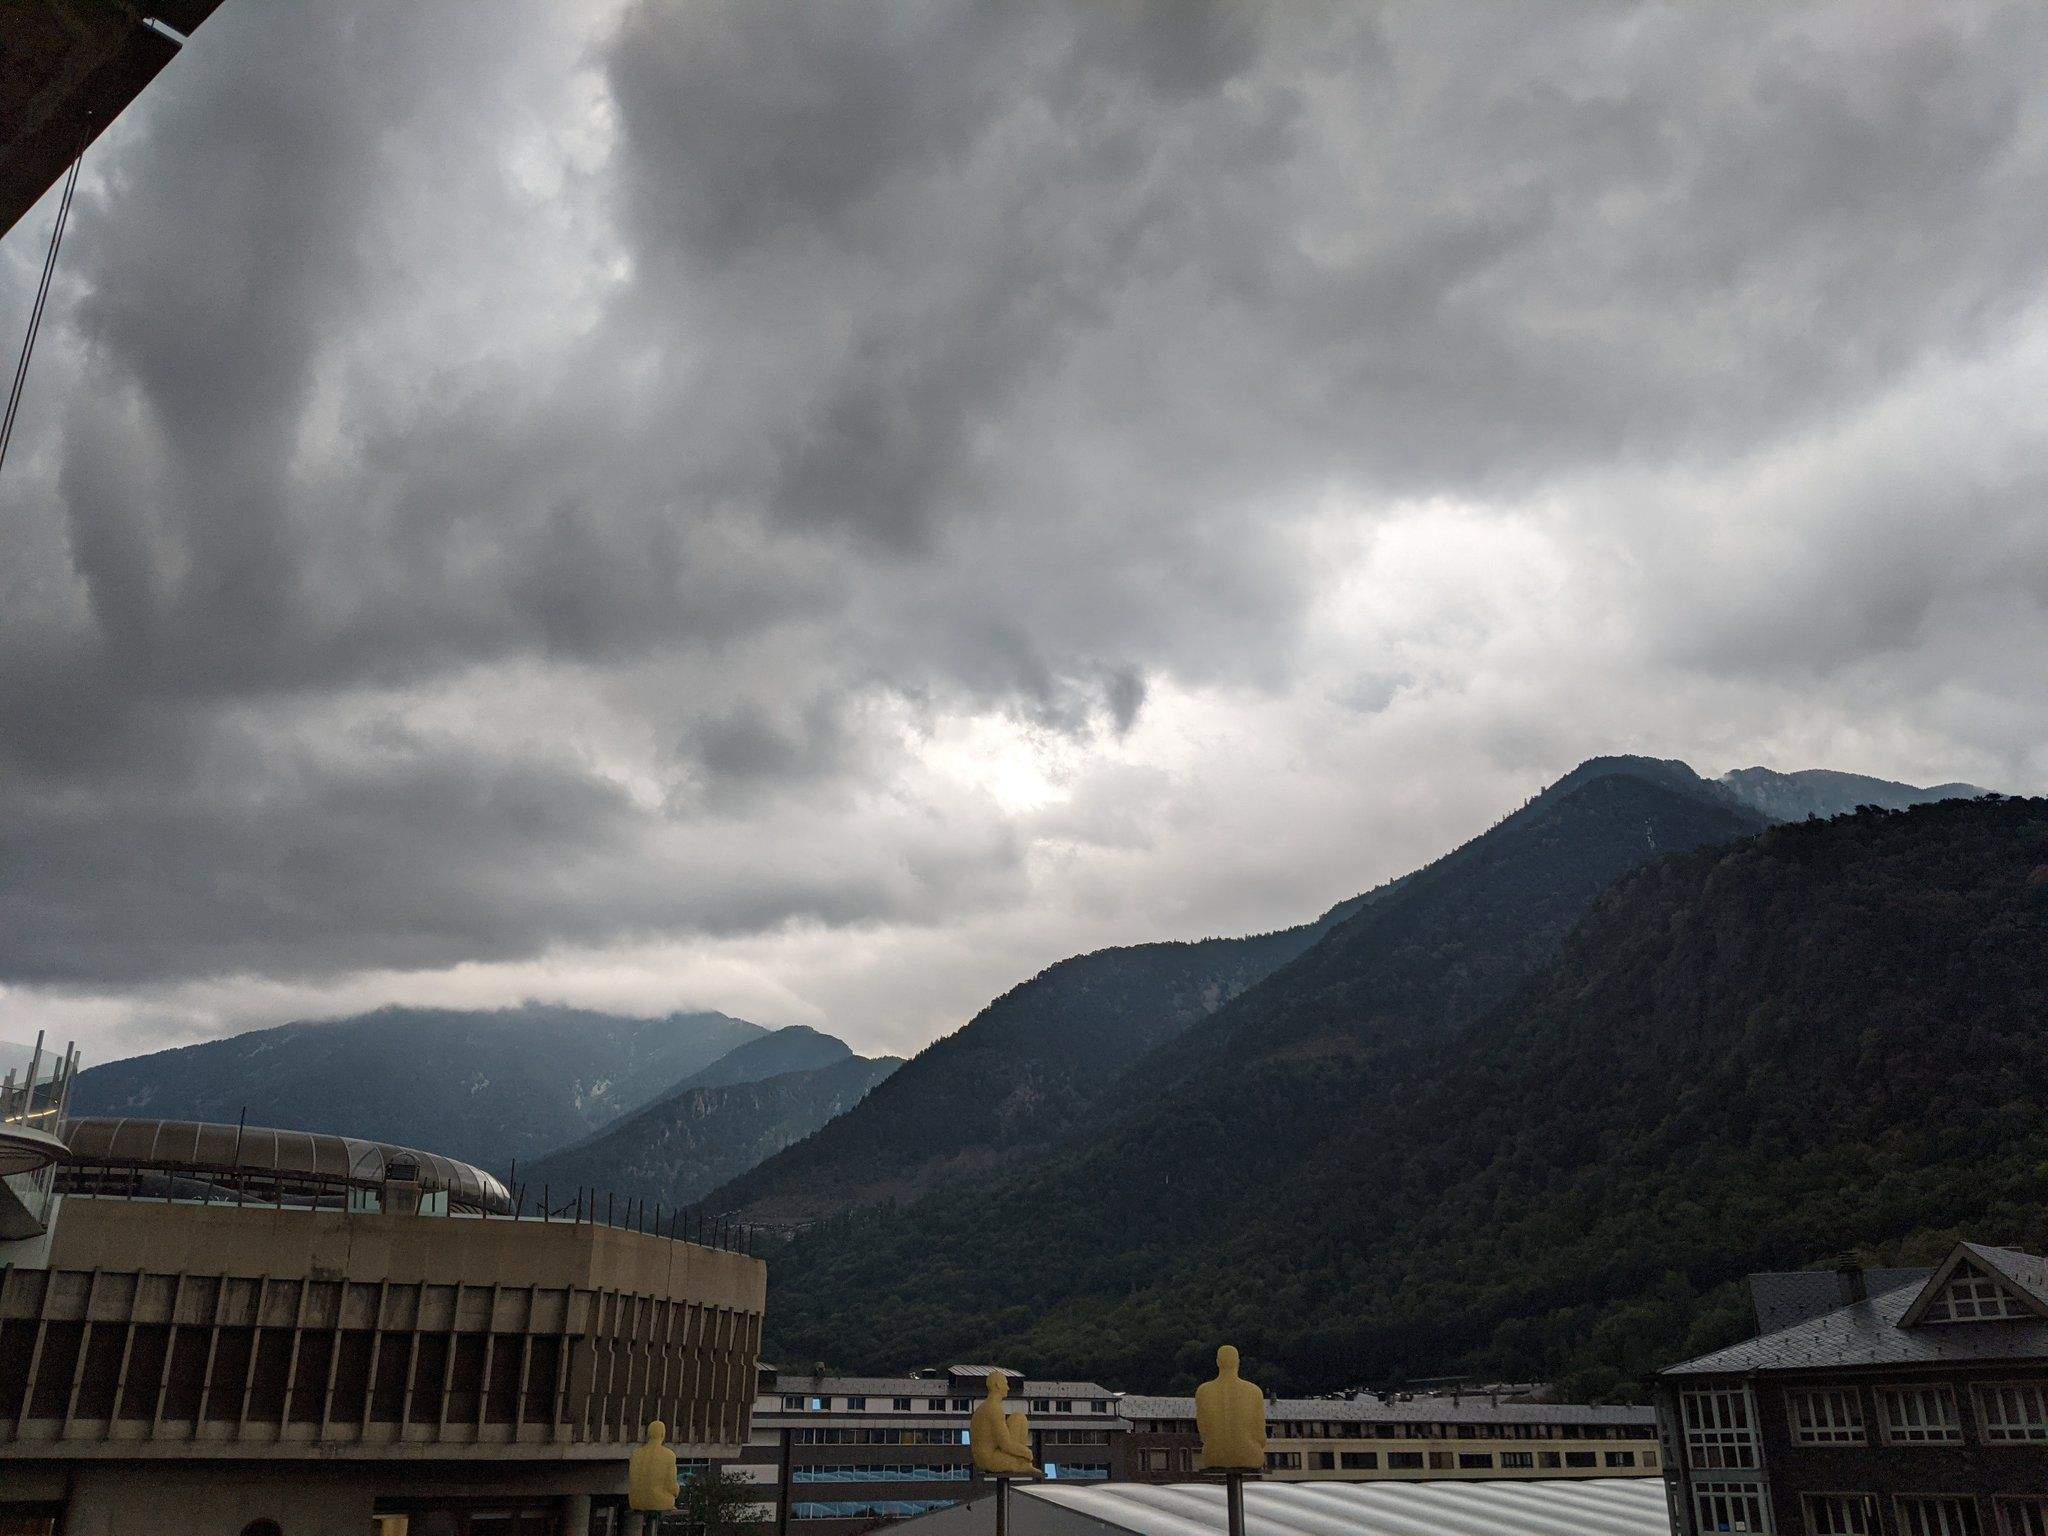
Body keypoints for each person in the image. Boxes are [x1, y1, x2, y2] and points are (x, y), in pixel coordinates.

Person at [1195, 1346, 1265, 1470]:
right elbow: (1260, 1435)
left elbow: (1203, 1432)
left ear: (1217, 1362)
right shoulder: (1254, 1391)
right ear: (1238, 1362)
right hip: (1250, 1454)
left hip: (1213, 1455)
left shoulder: (1203, 1391)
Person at [970, 1373, 1039, 1476]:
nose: (1008, 1388)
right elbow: (1005, 1444)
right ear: (998, 1385)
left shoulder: (984, 1407)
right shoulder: (993, 1408)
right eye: (1006, 1384)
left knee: (1018, 1417)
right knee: (1019, 1461)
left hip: (983, 1458)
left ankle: (1022, 1463)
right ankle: (1022, 1463)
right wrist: (1027, 1452)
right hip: (991, 1459)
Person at [629, 1418, 680, 1512]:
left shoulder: (636, 1454)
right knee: (670, 1499)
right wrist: (676, 1490)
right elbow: (671, 1485)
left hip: (635, 1501)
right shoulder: (669, 1455)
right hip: (658, 1501)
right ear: (663, 1434)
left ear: (648, 1434)